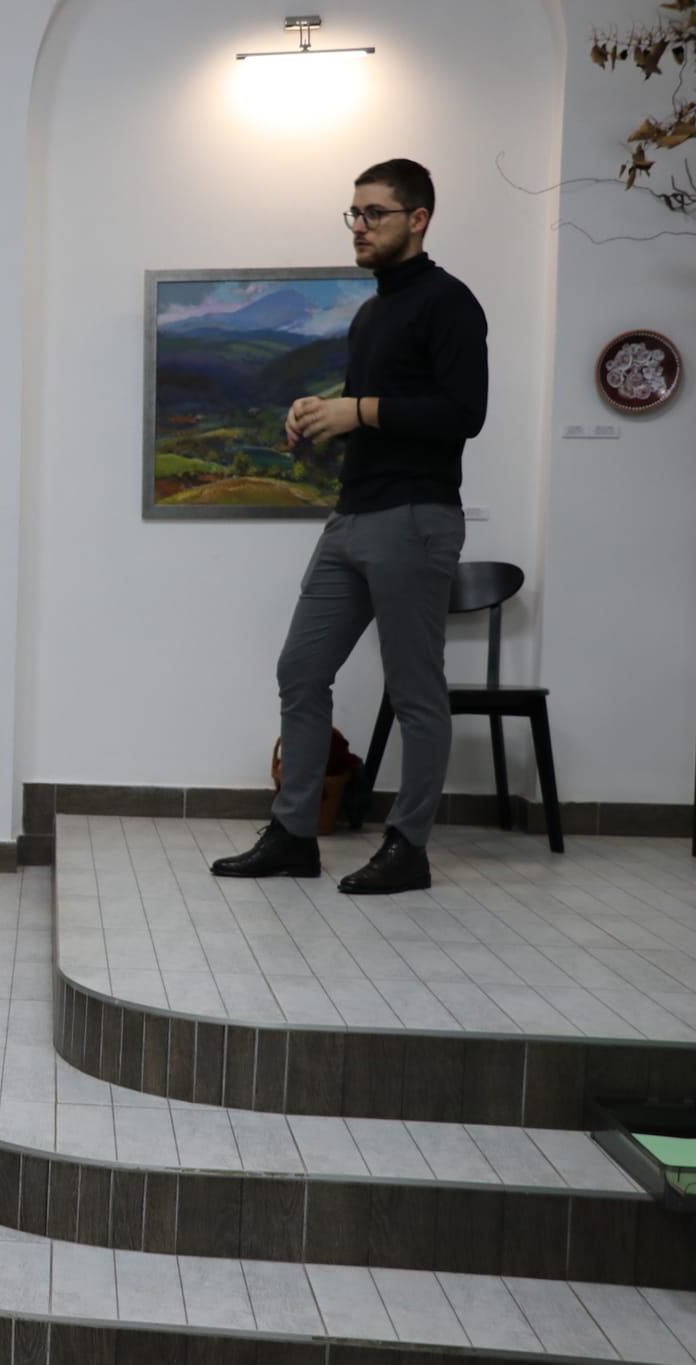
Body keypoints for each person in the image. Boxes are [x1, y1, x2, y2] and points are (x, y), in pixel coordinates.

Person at [212, 159, 486, 896]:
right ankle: (294, 834)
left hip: (415, 517)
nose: (359, 226)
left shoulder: (449, 302)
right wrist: (316, 419)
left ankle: (408, 846)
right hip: (351, 516)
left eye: (374, 214)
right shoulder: (371, 314)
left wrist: (356, 410)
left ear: (418, 219)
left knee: (415, 689)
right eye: (354, 214)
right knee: (300, 670)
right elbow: (378, 412)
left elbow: (464, 413)